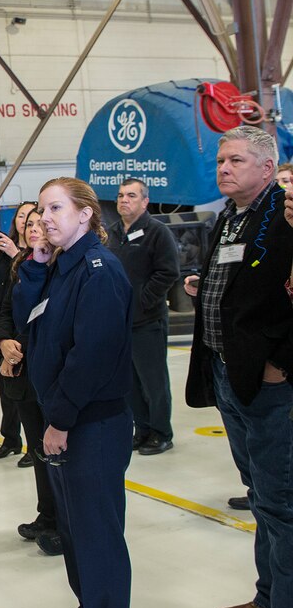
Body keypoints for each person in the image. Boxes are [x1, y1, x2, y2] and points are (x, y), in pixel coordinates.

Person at [183, 126, 293, 608]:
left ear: (267, 167)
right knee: (261, 497)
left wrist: (282, 363)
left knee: (284, 505)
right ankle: (269, 598)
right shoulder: (230, 216)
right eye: (221, 160)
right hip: (232, 377)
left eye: (236, 160)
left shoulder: (286, 218)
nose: (223, 168)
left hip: (271, 384)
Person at [13, 177, 133, 608]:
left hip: (91, 424)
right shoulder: (62, 265)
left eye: (56, 208)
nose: (45, 218)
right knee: (77, 534)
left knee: (98, 536)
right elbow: (31, 325)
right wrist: (37, 267)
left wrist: (59, 421)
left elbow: (92, 356)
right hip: (64, 418)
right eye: (42, 210)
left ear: (85, 214)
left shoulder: (99, 271)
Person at [0, 211, 61, 556]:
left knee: (58, 452)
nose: (35, 228)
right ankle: (47, 515)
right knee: (37, 450)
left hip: (52, 375)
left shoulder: (63, 266)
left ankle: (64, 521)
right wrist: (3, 342)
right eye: (29, 223)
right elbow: (4, 311)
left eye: (40, 223)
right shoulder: (22, 264)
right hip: (25, 373)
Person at [107, 178, 180, 456]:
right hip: (120, 323)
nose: (124, 200)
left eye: (131, 195)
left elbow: (168, 272)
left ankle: (162, 432)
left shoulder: (157, 232)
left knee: (153, 381)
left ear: (145, 201)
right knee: (131, 382)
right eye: (121, 195)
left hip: (147, 321)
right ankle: (143, 429)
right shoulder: (112, 232)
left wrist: (144, 300)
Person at [0, 201, 37, 465]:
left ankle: (32, 444)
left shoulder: (38, 252)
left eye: (30, 217)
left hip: (21, 329)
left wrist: (17, 254)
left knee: (25, 390)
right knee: (5, 388)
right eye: (21, 217)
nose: (25, 222)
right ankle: (11, 438)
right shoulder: (3, 251)